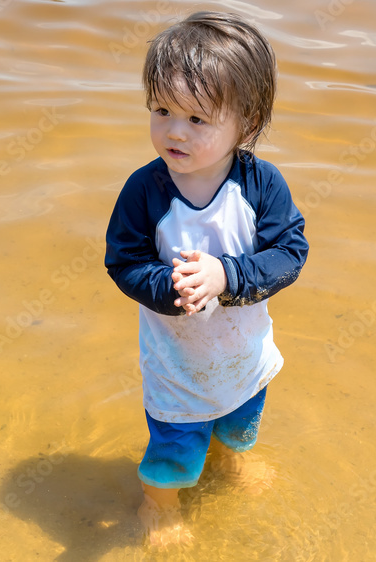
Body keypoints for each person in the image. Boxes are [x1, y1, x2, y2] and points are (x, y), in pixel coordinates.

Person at [104, 11, 308, 547]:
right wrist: (171, 289)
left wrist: (228, 276)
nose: (174, 130)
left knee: (241, 426)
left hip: (244, 354)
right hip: (178, 365)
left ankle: (233, 462)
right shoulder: (144, 192)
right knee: (174, 447)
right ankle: (160, 502)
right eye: (162, 110)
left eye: (198, 119)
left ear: (248, 122)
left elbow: (290, 251)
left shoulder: (260, 184)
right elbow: (122, 262)